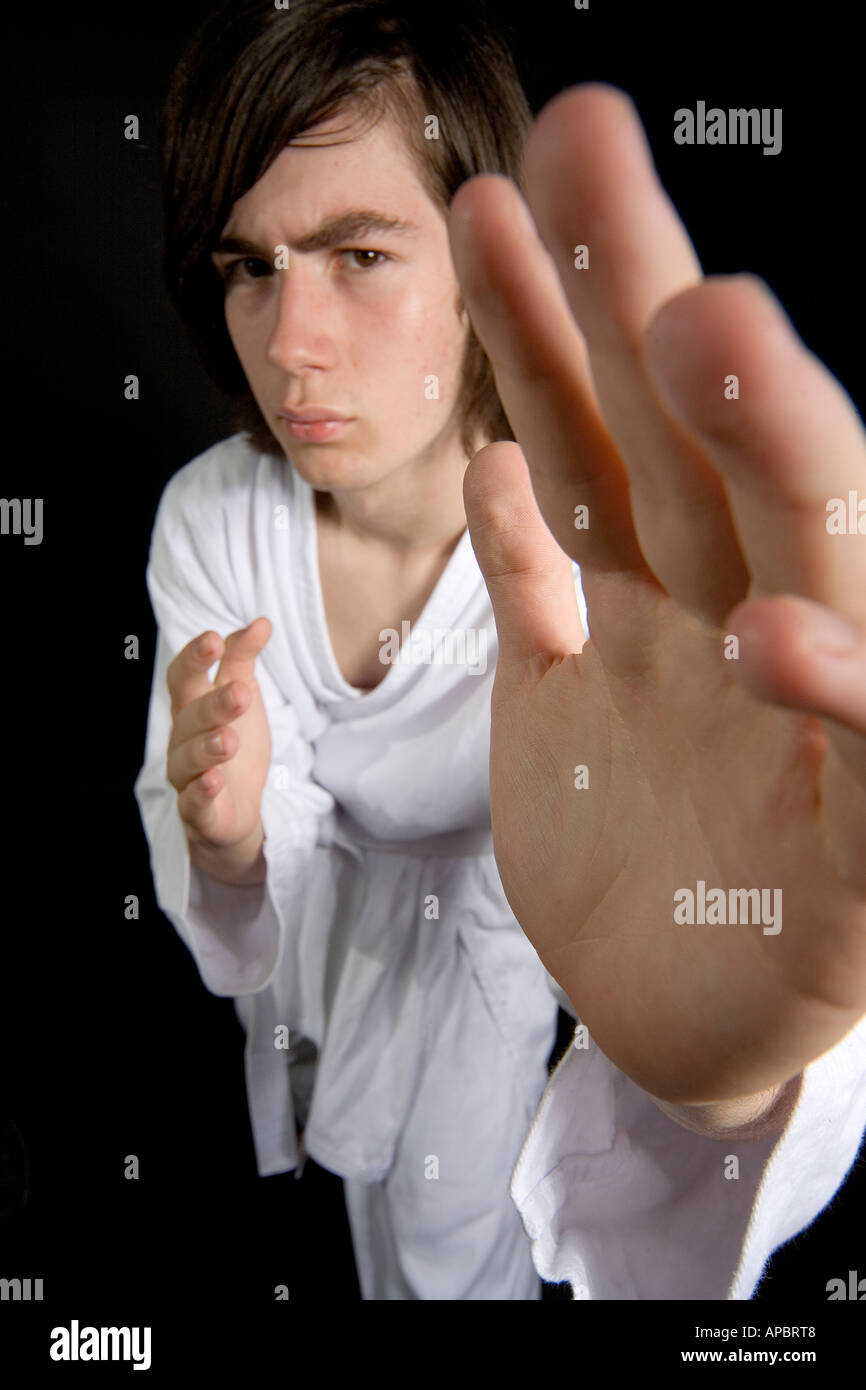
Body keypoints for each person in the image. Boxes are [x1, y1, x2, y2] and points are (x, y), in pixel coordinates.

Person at [133, 0, 866, 1300]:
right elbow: (230, 855)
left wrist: (737, 1075)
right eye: (249, 265)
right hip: (327, 976)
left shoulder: (614, 567)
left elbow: (719, 860)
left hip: (500, 988)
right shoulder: (211, 518)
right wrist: (230, 836)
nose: (288, 343)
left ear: (482, 273)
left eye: (358, 251)